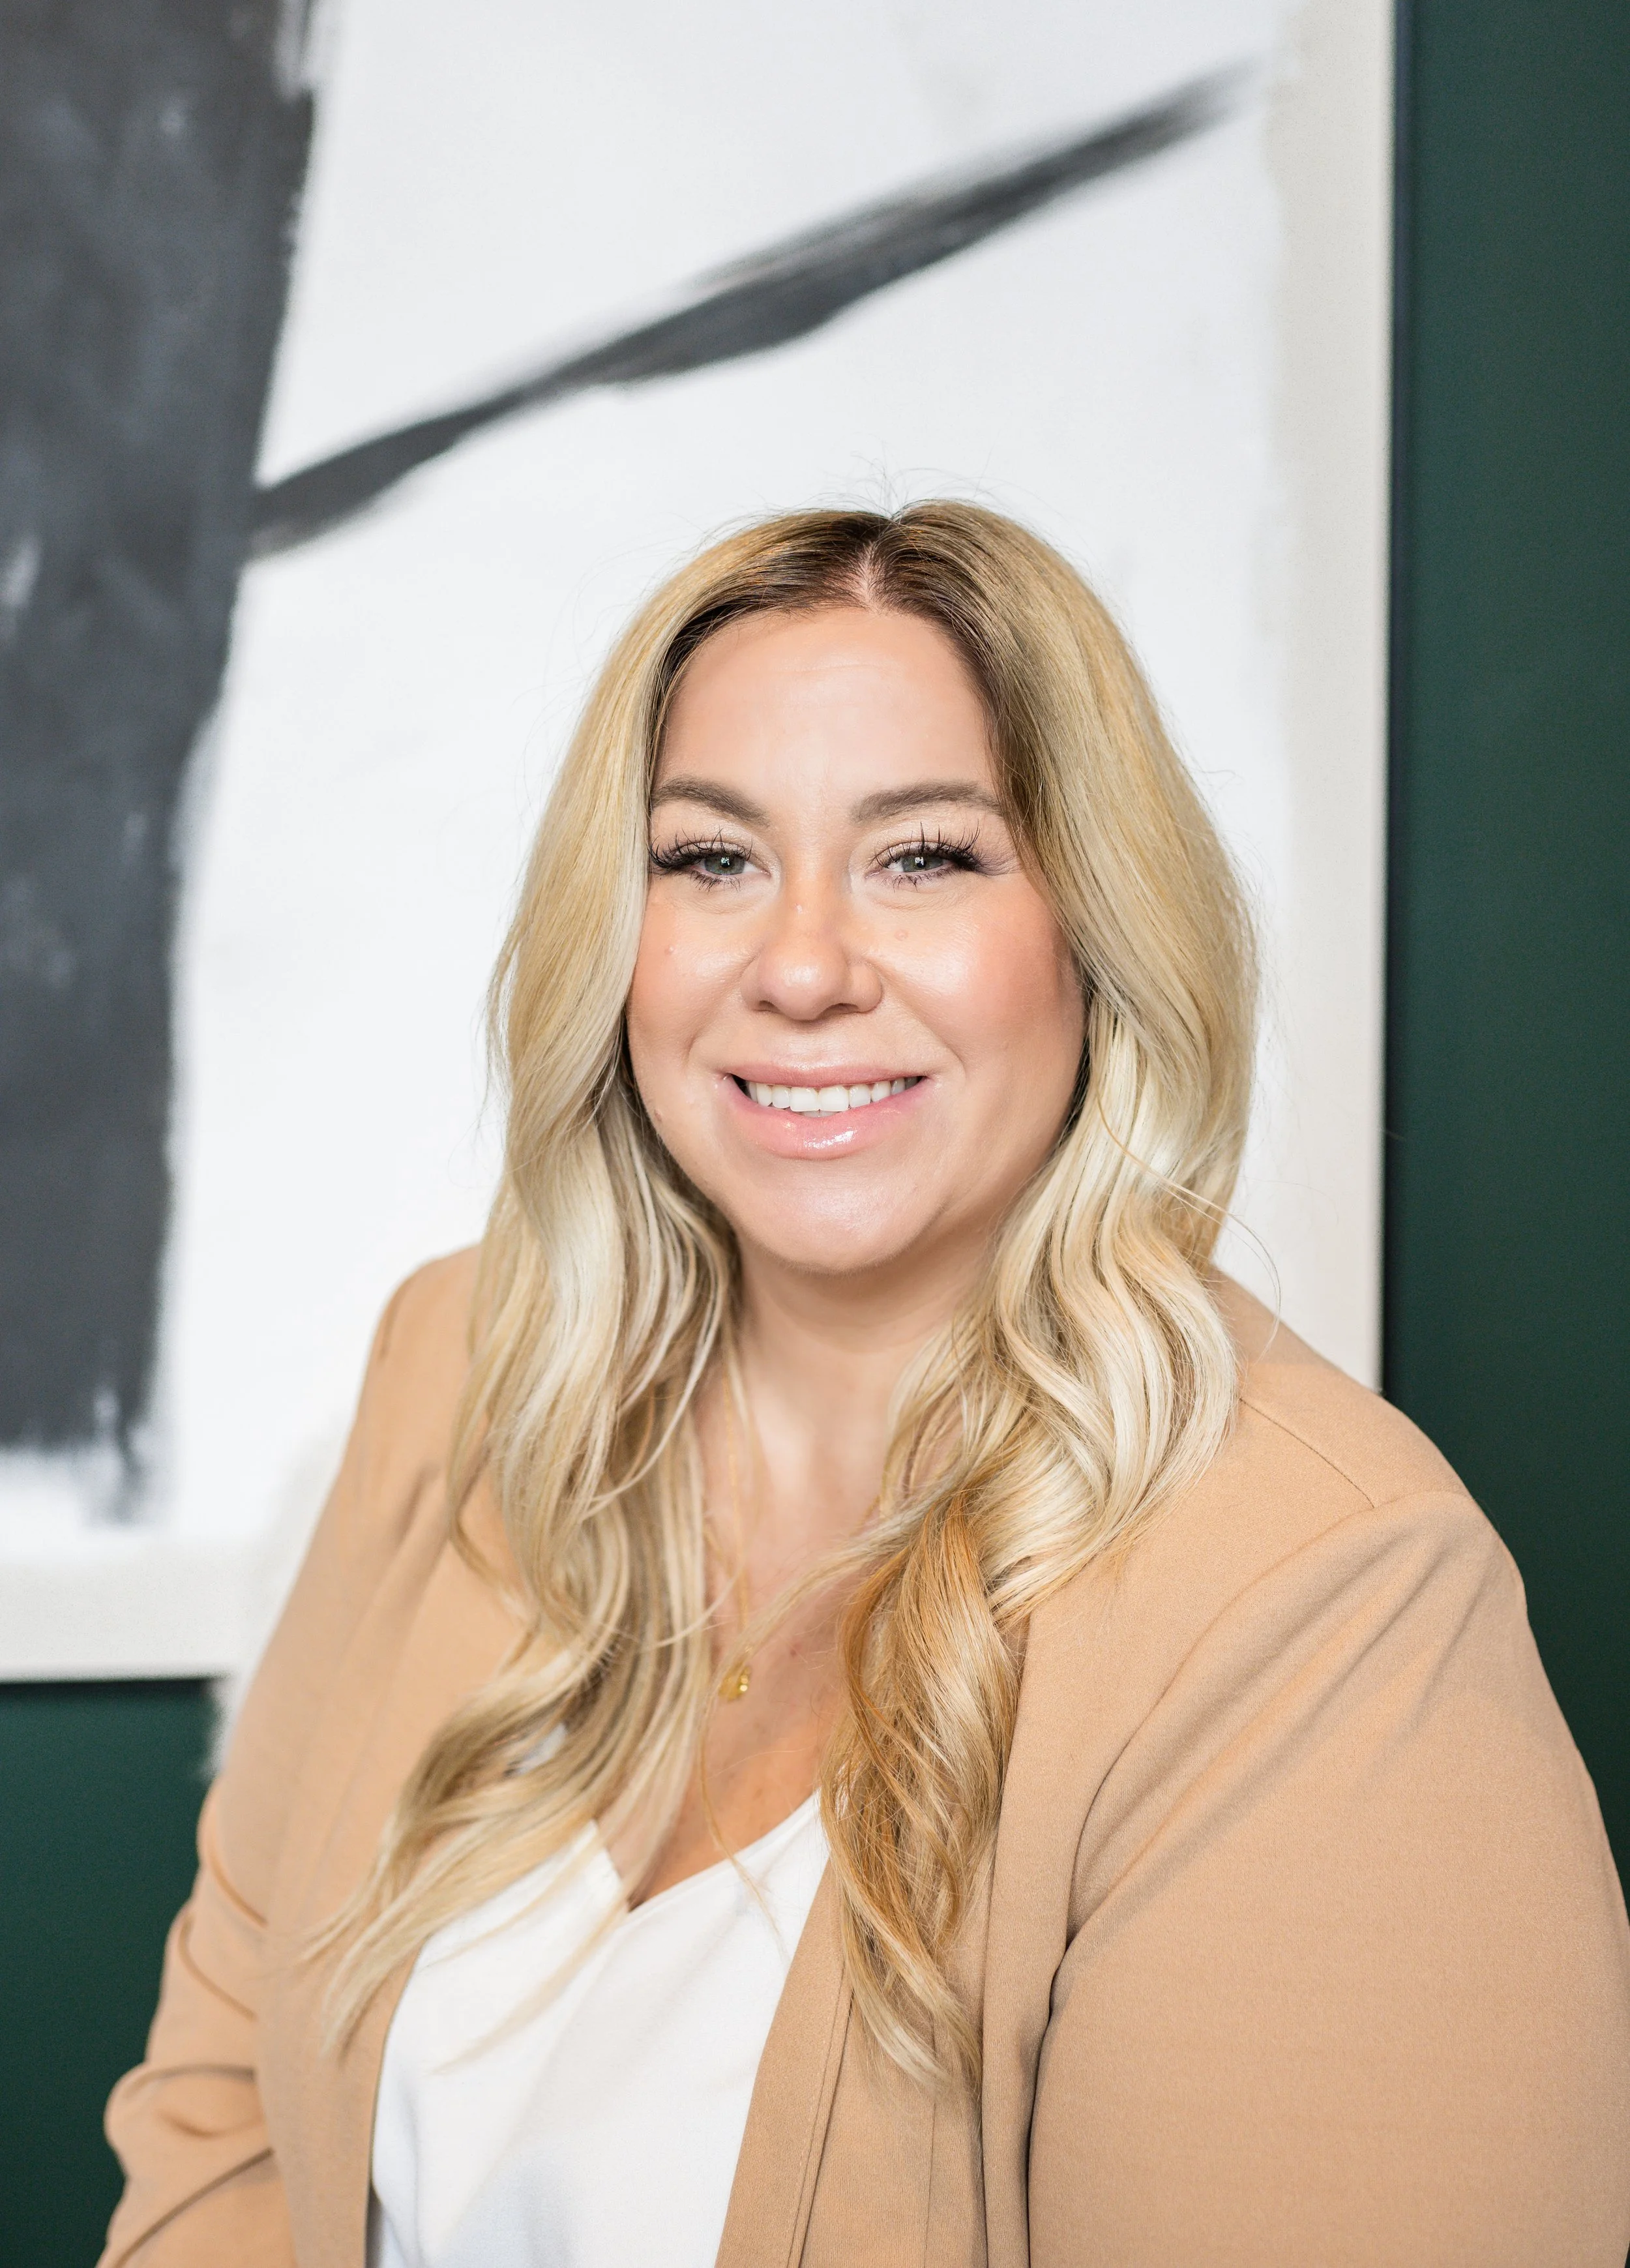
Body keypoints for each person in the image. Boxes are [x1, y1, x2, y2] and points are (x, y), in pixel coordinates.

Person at [101, 505, 1630, 2268]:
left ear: (1097, 933)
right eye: (710, 858)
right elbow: (223, 2124)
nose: (804, 967)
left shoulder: (1329, 1605)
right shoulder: (458, 1370)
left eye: (923, 857)